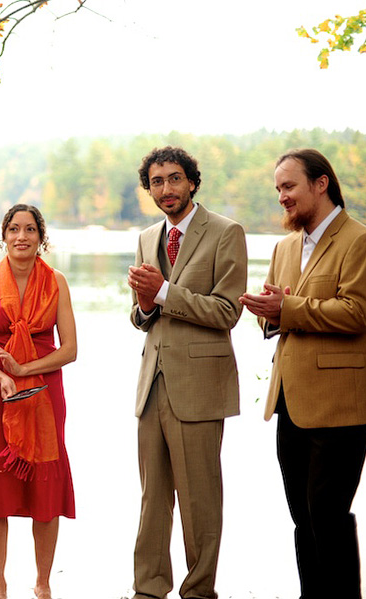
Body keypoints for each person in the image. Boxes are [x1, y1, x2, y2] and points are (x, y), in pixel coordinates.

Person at [239, 149, 366, 599]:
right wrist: (267, 313)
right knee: (303, 516)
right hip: (290, 400)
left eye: (289, 186)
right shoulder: (284, 247)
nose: (282, 196)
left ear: (321, 184)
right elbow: (278, 316)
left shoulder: (361, 241)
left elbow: (358, 313)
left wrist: (286, 308)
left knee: (327, 513)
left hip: (343, 402)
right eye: (278, 189)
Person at [126, 147, 247, 599]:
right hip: (151, 384)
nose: (166, 189)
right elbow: (141, 316)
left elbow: (227, 311)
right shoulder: (146, 237)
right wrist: (144, 306)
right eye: (157, 182)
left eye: (174, 178)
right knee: (152, 499)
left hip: (199, 386)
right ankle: (148, 589)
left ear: (192, 181)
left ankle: (198, 592)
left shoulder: (226, 232)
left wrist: (163, 293)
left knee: (200, 500)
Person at [0, 203, 77, 599]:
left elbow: (70, 350)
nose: (21, 236)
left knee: (45, 485)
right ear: (4, 236)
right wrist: (3, 376)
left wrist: (24, 369)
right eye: (14, 229)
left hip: (44, 392)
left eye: (30, 229)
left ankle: (43, 583)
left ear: (41, 237)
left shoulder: (57, 282)